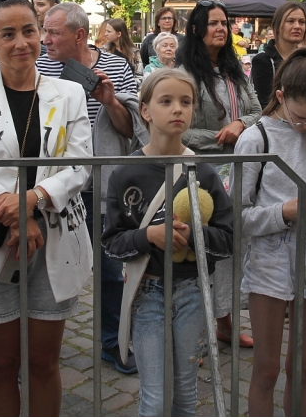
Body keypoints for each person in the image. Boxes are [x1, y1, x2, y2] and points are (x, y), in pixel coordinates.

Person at [0, 0, 92, 416]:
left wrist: (30, 201)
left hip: (55, 233)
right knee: (0, 363)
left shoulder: (67, 94)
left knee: (44, 362)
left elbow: (79, 163)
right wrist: (7, 207)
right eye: (7, 34)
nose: (20, 43)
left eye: (29, 31)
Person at [103, 70, 233, 416]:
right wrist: (149, 236)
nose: (178, 109)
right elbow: (112, 243)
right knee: (155, 397)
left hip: (192, 291)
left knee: (186, 394)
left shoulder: (203, 172)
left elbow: (228, 238)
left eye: (185, 102)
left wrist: (194, 236)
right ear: (145, 110)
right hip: (148, 293)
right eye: (166, 101)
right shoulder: (125, 173)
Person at [234, 48, 306, 416]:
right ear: (280, 96)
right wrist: (284, 212)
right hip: (271, 257)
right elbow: (236, 215)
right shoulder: (256, 138)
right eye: (299, 118)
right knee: (267, 368)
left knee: (305, 365)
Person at [36, 1, 141, 373]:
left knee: (111, 269)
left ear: (79, 35)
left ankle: (112, 342)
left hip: (104, 184)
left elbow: (133, 128)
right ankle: (39, 350)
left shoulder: (116, 65)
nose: (44, 39)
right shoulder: (38, 68)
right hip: (54, 185)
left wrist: (111, 102)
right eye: (43, 30)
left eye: (52, 32)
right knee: (44, 266)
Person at [177, 0, 261, 346]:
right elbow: (177, 128)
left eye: (224, 23)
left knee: (232, 247)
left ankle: (225, 321)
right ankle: (195, 325)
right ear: (197, 29)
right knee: (203, 248)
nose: (221, 29)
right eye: (213, 23)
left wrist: (240, 123)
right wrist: (219, 135)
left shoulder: (235, 72)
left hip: (238, 170)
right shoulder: (183, 76)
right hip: (201, 173)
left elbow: (259, 110)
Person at [251, 1, 306, 107]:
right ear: (277, 26)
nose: (297, 26)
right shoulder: (264, 61)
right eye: (290, 21)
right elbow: (266, 103)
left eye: (302, 22)